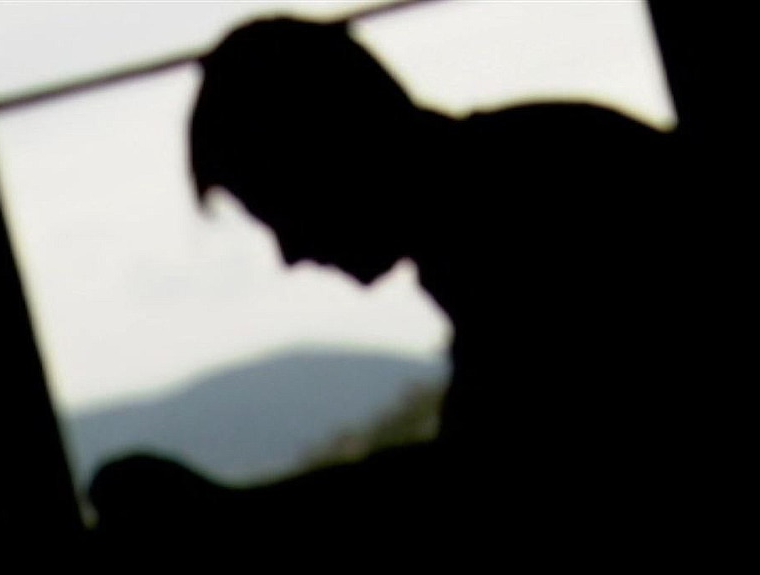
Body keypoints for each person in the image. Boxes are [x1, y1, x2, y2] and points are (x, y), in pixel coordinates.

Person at [189, 17, 698, 561]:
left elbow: (487, 482)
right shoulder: (536, 168)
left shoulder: (515, 228)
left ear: (330, 154)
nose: (289, 252)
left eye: (277, 206)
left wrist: (237, 518)